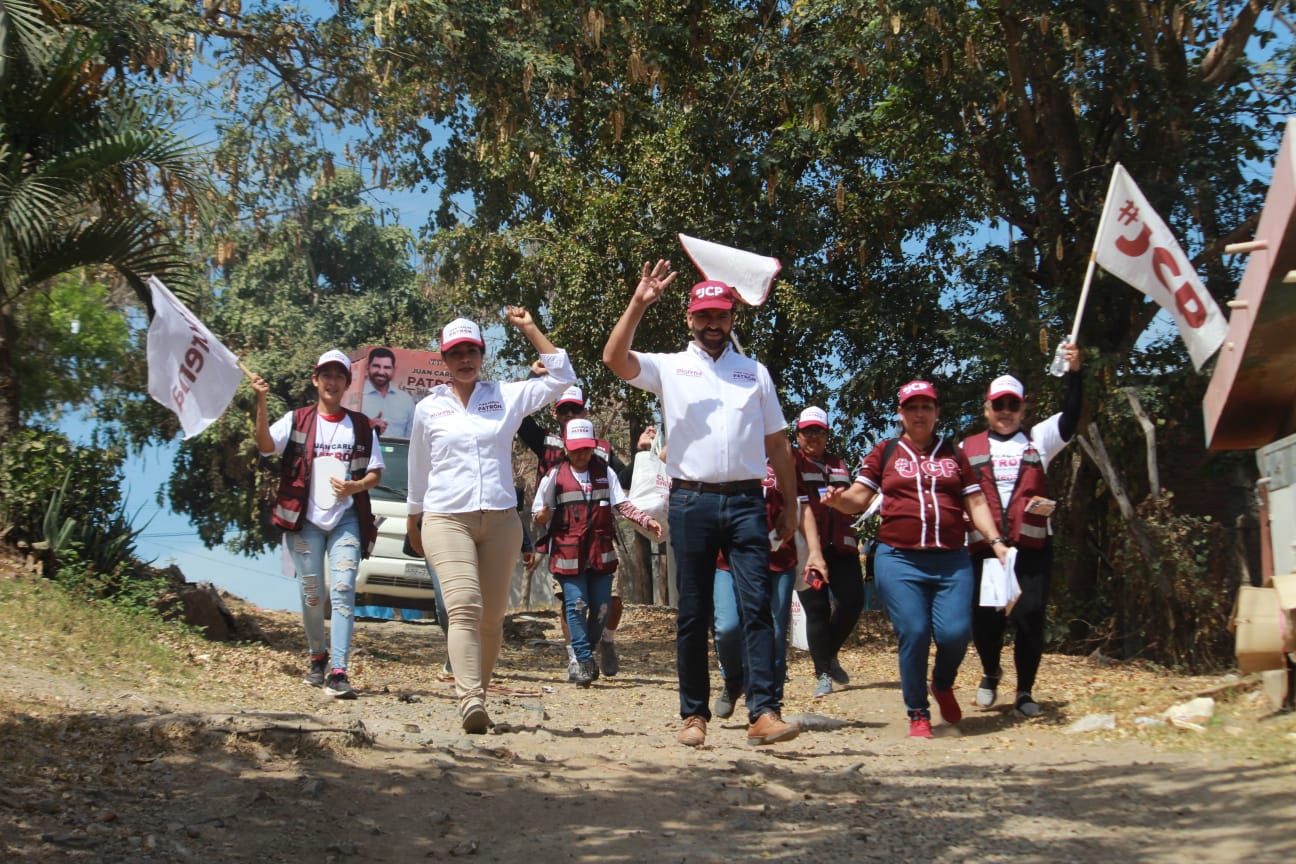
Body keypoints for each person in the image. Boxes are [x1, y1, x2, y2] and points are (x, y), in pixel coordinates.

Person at [603, 259, 819, 747]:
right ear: (690, 319)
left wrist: (789, 503)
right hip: (691, 502)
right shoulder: (670, 367)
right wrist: (638, 303)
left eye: (721, 316)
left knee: (758, 608)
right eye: (704, 316)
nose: (713, 325)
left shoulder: (754, 373)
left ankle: (764, 712)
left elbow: (778, 443)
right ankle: (693, 716)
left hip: (747, 503)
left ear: (732, 319)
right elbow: (615, 359)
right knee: (694, 613)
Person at [406, 311, 574, 733]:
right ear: (443, 359)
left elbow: (562, 377)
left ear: (483, 354)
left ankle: (476, 693)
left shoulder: (506, 394)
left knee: (492, 618)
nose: (464, 358)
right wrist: (414, 521)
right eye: (455, 352)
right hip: (446, 519)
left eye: (471, 350)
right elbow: (417, 473)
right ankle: (470, 699)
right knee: (464, 605)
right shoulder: (429, 410)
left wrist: (530, 329)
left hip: (500, 522)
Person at [823, 380, 1008, 738]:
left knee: (956, 633)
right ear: (901, 414)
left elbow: (976, 502)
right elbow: (859, 497)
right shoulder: (886, 452)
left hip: (951, 560)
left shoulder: (954, 455)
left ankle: (941, 682)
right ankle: (918, 711)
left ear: (937, 413)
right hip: (899, 559)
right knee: (915, 631)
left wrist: (996, 542)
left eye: (926, 407)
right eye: (911, 408)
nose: (919, 413)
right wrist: (838, 500)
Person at [252, 350, 385, 700]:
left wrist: (355, 486)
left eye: (339, 376)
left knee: (342, 590)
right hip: (304, 520)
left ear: (346, 383)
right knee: (312, 594)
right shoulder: (297, 419)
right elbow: (266, 445)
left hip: (347, 518)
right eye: (326, 375)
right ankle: (317, 657)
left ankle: (339, 671)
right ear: (316, 380)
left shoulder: (360, 425)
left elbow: (375, 472)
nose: (332, 381)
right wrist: (261, 401)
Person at [964, 345, 1083, 717]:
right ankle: (989, 671)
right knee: (985, 621)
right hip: (986, 550)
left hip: (1031, 549)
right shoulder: (967, 448)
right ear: (987, 409)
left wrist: (1075, 373)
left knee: (1030, 617)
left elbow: (1073, 417)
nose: (1005, 413)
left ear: (1023, 408)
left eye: (1012, 406)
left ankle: (1025, 691)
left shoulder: (1039, 440)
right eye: (998, 406)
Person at [533, 418, 662, 686]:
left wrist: (645, 520)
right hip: (568, 554)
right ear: (566, 448)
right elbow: (538, 513)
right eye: (576, 449)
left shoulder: (606, 473)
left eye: (587, 449)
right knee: (577, 605)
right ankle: (581, 660)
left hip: (600, 553)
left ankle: (587, 653)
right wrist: (543, 515)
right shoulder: (554, 476)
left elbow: (622, 505)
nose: (582, 454)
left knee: (602, 608)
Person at [518, 381, 634, 678]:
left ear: (586, 411)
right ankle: (577, 659)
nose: (569, 414)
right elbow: (520, 419)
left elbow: (624, 479)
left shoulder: (602, 452)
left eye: (575, 408)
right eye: (563, 409)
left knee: (611, 600)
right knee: (573, 602)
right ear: (556, 414)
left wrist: (645, 455)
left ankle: (605, 640)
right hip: (565, 539)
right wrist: (534, 378)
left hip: (601, 537)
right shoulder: (548, 444)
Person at [711, 460, 802, 718]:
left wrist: (814, 552)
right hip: (728, 561)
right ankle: (733, 679)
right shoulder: (727, 458)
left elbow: (800, 508)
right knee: (726, 628)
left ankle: (768, 705)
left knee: (773, 632)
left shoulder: (786, 460)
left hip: (778, 560)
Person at [792, 406, 866, 698]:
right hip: (808, 550)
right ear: (798, 434)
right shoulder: (791, 461)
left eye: (819, 432)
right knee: (817, 609)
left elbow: (853, 498)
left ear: (827, 434)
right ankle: (823, 672)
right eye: (808, 431)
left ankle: (829, 653)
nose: (813, 437)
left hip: (842, 547)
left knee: (853, 602)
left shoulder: (838, 463)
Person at [360, 347, 416, 438]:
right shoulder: (357, 396)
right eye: (376, 366)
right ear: (367, 367)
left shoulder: (406, 400)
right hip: (364, 451)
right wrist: (367, 428)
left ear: (394, 370)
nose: (381, 372)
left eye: (387, 367)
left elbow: (411, 439)